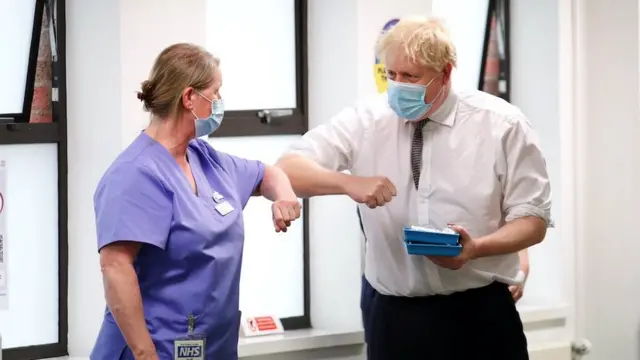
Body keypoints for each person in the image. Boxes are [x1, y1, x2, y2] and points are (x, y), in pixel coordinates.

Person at [276, 16, 551, 360]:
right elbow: (286, 170)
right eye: (392, 75)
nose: (398, 86)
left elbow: (533, 220)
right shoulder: (366, 119)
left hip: (479, 313)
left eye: (411, 77)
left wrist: (476, 248)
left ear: (446, 73)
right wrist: (348, 182)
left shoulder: (502, 125)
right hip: (395, 318)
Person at [90, 43, 301, 360]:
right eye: (215, 93)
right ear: (189, 98)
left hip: (212, 347)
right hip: (154, 350)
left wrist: (284, 196)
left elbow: (267, 174)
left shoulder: (204, 158)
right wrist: (145, 354)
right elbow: (115, 266)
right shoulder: (135, 174)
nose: (219, 103)